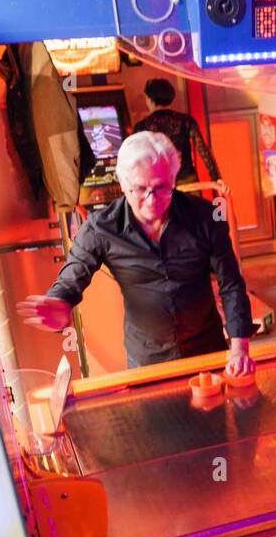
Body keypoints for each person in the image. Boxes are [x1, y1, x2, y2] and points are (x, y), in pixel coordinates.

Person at [17, 131, 255, 374]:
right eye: (140, 190)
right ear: (123, 183)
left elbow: (231, 285)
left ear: (173, 179)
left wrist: (240, 348)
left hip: (207, 348)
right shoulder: (101, 228)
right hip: (147, 358)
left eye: (162, 188)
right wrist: (60, 303)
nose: (152, 200)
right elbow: (72, 278)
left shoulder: (205, 217)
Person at [132, 77, 228, 193]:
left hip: (160, 185)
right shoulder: (186, 121)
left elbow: (136, 161)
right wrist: (216, 178)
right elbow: (204, 151)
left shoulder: (142, 127)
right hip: (188, 182)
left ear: (151, 100)